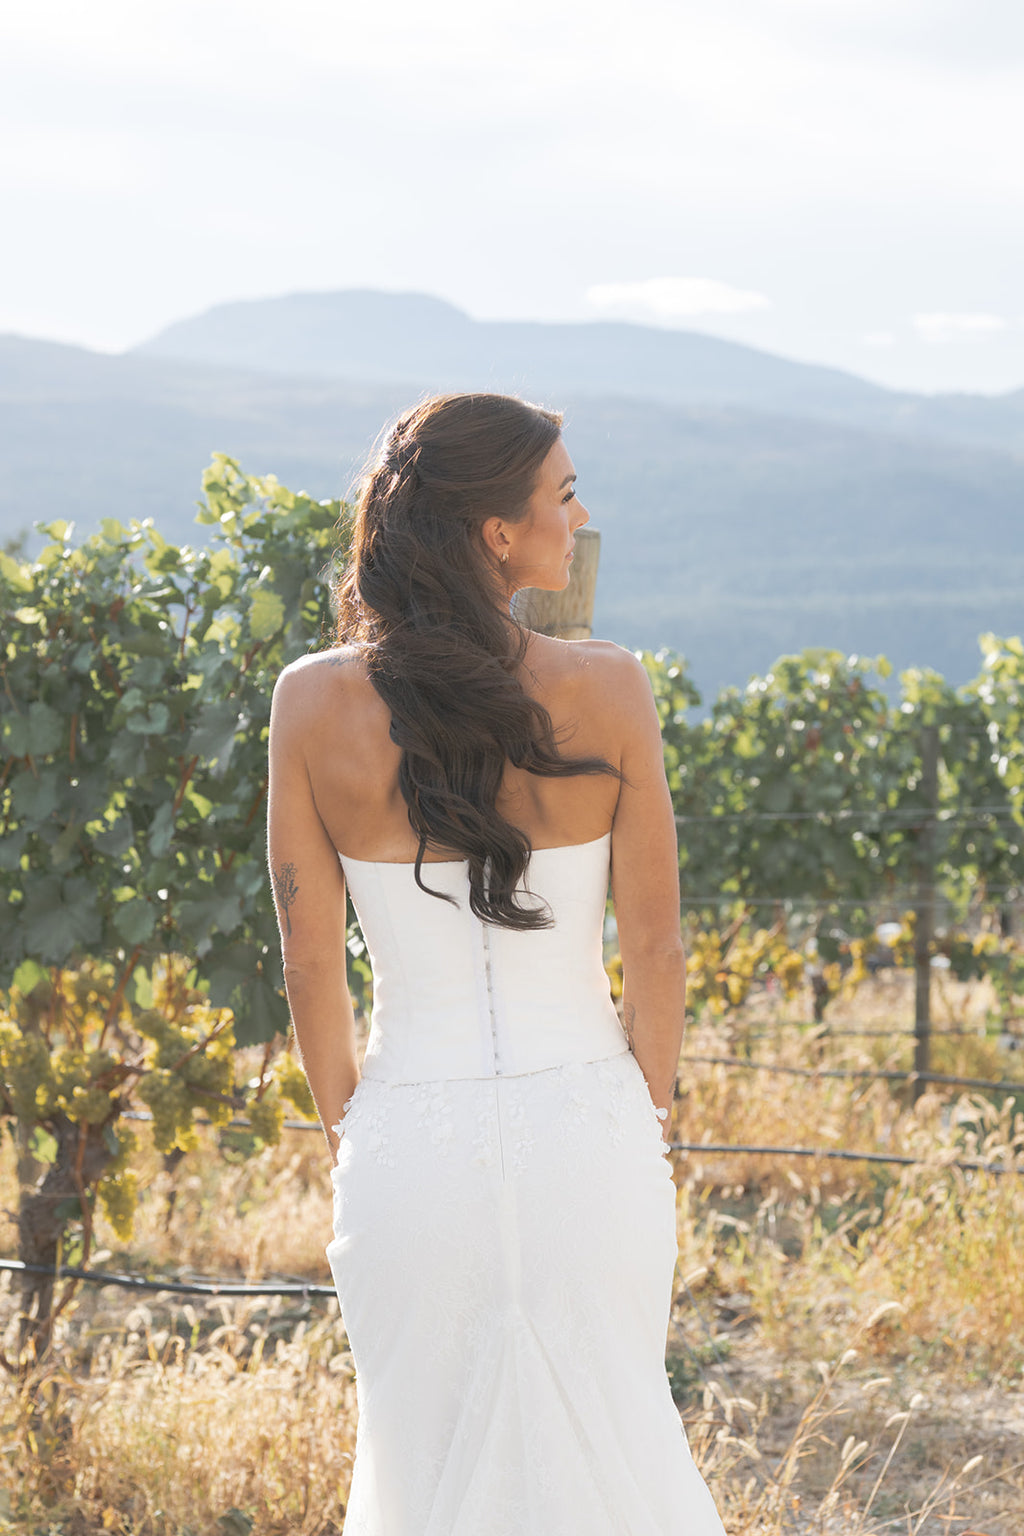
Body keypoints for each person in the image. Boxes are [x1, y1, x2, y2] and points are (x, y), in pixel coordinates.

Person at [267, 393, 726, 1535]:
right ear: (496, 534)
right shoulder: (610, 686)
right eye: (562, 495)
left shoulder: (310, 702)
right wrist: (646, 1109)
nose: (581, 516)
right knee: (616, 1442)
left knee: (423, 1467)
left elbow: (309, 965)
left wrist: (355, 1132)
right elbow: (657, 948)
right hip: (592, 1136)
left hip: (407, 1145)